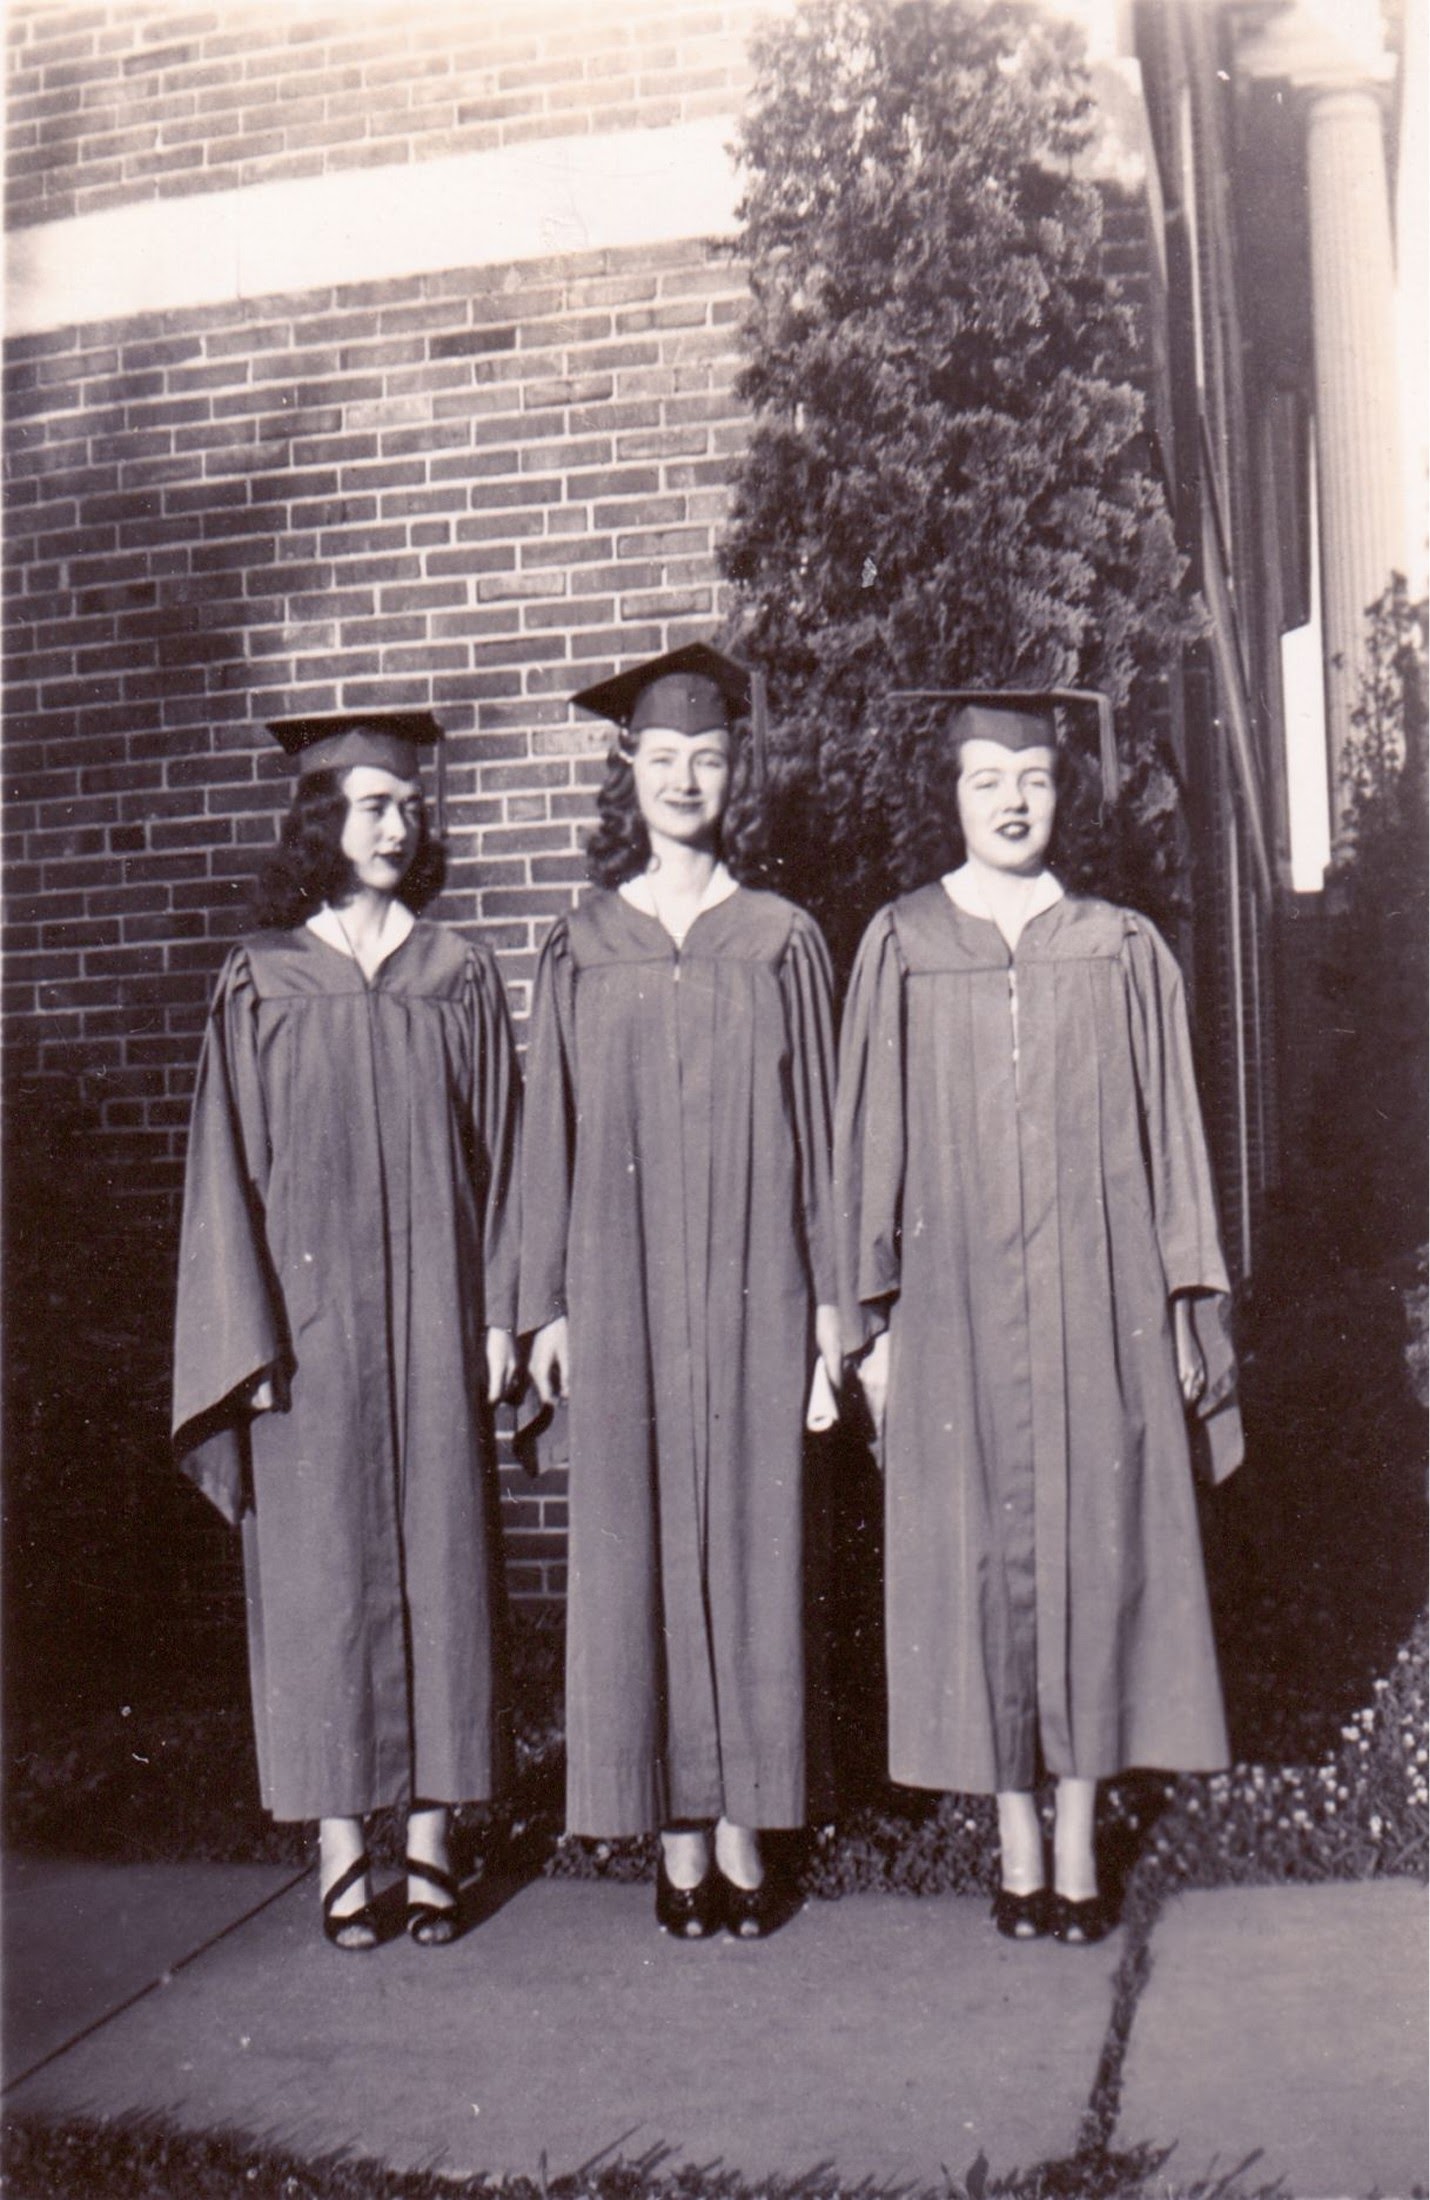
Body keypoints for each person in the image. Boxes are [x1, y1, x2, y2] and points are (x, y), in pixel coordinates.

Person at [835, 689, 1241, 1945]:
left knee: (1094, 1556)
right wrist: (876, 1326)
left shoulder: (1118, 948)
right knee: (975, 1570)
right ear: (947, 795)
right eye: (984, 777)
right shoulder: (899, 943)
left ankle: (1073, 1839)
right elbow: (867, 1158)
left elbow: (1173, 1144)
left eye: (1033, 778)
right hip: (952, 1311)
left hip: (1100, 1304)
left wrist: (1184, 1303)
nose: (1011, 799)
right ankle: (1010, 1838)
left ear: (1062, 795)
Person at [172, 710, 521, 1951]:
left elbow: (508, 1162)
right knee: (320, 1585)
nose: (392, 825)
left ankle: (428, 1841)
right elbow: (224, 1183)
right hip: (308, 1343)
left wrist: (501, 1317)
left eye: (405, 806)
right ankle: (338, 1847)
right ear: (320, 820)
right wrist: (246, 1347)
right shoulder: (262, 979)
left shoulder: (456, 975)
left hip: (435, 1327)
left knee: (440, 1566)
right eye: (368, 805)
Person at [520, 642, 841, 1939]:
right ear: (628, 771)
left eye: (707, 758)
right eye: (663, 758)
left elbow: (823, 1138)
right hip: (623, 1298)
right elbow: (548, 1136)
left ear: (733, 771)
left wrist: (830, 1324)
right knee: (641, 1549)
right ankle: (675, 1841)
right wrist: (540, 1305)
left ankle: (750, 1832)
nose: (686, 778)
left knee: (755, 1548)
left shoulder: (780, 940)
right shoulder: (580, 945)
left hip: (757, 1298)